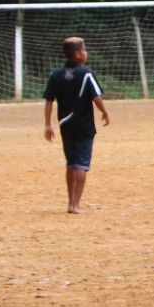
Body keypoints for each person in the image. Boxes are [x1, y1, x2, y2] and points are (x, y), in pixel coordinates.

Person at [44, 36, 110, 213]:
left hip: (65, 125)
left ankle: (69, 202)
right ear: (77, 54)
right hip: (83, 125)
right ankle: (75, 204)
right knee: (81, 163)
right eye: (84, 49)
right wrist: (105, 112)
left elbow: (49, 101)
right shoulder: (86, 73)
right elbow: (96, 97)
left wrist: (47, 125)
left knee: (71, 162)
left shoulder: (56, 75)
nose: (86, 52)